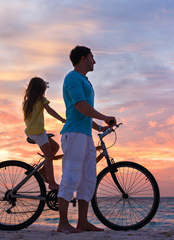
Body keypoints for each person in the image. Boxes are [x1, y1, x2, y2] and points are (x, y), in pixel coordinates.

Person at [57, 46, 116, 233]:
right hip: (73, 134)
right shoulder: (72, 77)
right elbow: (81, 106)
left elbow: (84, 113)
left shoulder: (84, 81)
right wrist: (104, 116)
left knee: (88, 178)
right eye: (92, 57)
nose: (94, 61)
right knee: (71, 175)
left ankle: (82, 222)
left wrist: (99, 127)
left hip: (85, 135)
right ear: (83, 58)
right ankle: (63, 223)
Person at [23, 77, 66, 190]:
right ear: (40, 90)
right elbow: (50, 111)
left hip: (32, 132)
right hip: (38, 133)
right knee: (49, 156)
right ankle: (52, 183)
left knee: (55, 147)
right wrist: (62, 120)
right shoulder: (41, 100)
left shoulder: (27, 102)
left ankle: (42, 171)